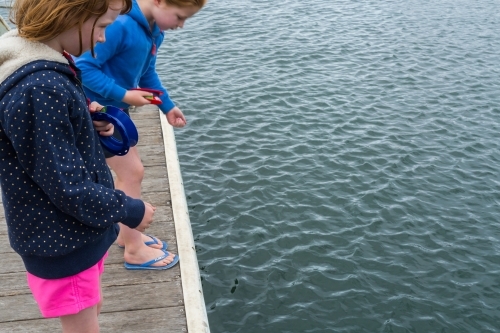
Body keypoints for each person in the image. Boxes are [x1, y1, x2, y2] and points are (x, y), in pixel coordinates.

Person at [0, 0, 168, 331]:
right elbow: (67, 186)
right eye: (102, 26)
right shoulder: (40, 88)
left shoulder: (39, 59)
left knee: (89, 307)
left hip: (74, 232)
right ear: (70, 17)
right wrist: (129, 210)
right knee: (83, 322)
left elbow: (46, 137)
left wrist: (84, 118)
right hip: (61, 238)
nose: (104, 39)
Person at [75, 0, 206, 270]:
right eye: (180, 17)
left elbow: (146, 72)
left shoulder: (154, 29)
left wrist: (167, 106)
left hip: (115, 111)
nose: (181, 25)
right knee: (132, 173)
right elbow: (83, 67)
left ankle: (127, 235)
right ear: (158, 1)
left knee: (132, 172)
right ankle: (135, 250)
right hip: (93, 112)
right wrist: (124, 95)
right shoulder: (120, 24)